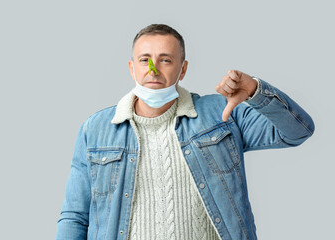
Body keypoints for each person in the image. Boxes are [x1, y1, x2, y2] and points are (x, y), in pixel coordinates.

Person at [56, 24, 314, 240]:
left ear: (183, 68)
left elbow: (297, 131)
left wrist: (256, 91)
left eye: (165, 60)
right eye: (144, 60)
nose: (153, 69)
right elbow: (75, 216)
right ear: (132, 67)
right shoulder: (96, 129)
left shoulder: (222, 113)